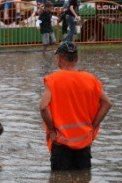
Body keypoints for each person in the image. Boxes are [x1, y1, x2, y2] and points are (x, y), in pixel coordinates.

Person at [40, 42, 113, 171]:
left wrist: (51, 130)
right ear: (77, 59)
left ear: (60, 58)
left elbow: (43, 107)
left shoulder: (53, 80)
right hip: (84, 141)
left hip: (61, 142)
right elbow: (107, 103)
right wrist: (93, 126)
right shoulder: (91, 79)